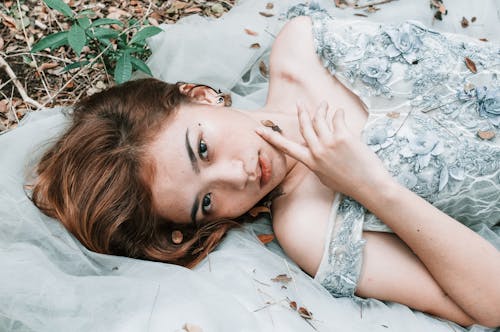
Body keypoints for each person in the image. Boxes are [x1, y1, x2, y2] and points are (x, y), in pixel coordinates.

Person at [31, 5, 500, 328]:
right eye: (207, 201)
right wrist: (373, 188)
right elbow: (492, 303)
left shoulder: (304, 49)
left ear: (198, 94)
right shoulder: (308, 228)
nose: (237, 177)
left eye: (203, 150)